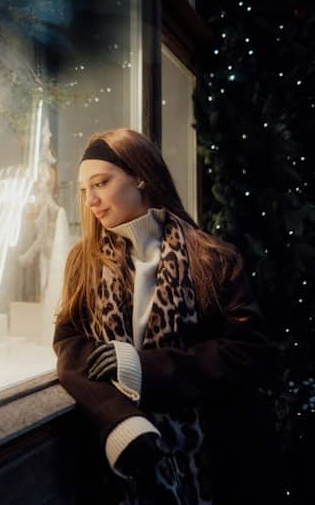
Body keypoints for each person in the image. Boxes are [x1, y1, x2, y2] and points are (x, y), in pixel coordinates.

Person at [53, 128, 280, 503]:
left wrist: (144, 367)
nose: (90, 200)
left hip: (207, 457)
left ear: (140, 175)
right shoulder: (85, 261)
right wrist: (120, 420)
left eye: (101, 183)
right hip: (122, 463)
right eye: (84, 190)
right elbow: (70, 345)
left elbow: (248, 351)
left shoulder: (211, 258)